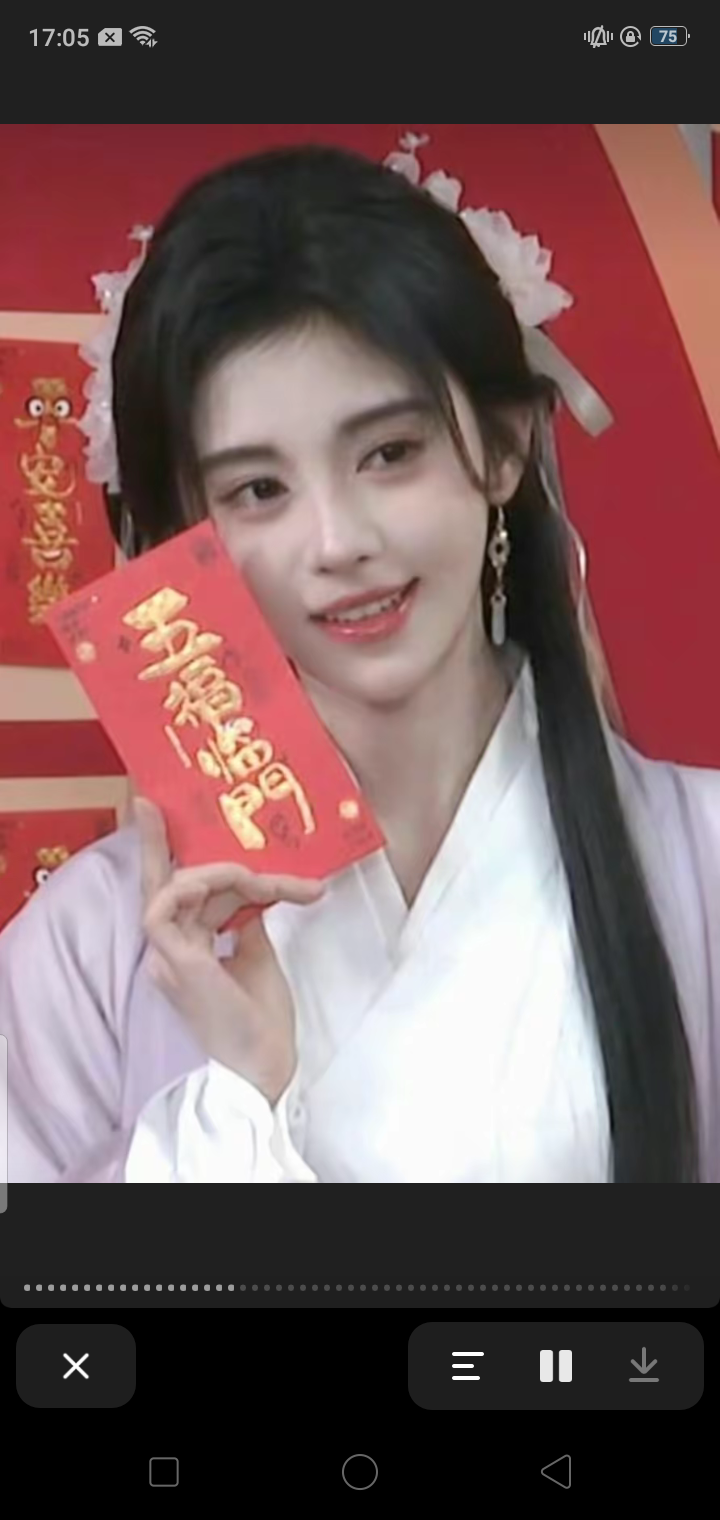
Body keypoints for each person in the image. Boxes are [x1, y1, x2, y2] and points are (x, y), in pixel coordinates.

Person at [1, 141, 718, 1184]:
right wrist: (235, 1100)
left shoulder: (700, 861)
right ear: (187, 536)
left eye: (390, 453)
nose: (338, 541)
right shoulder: (91, 946)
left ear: (505, 446)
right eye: (258, 490)